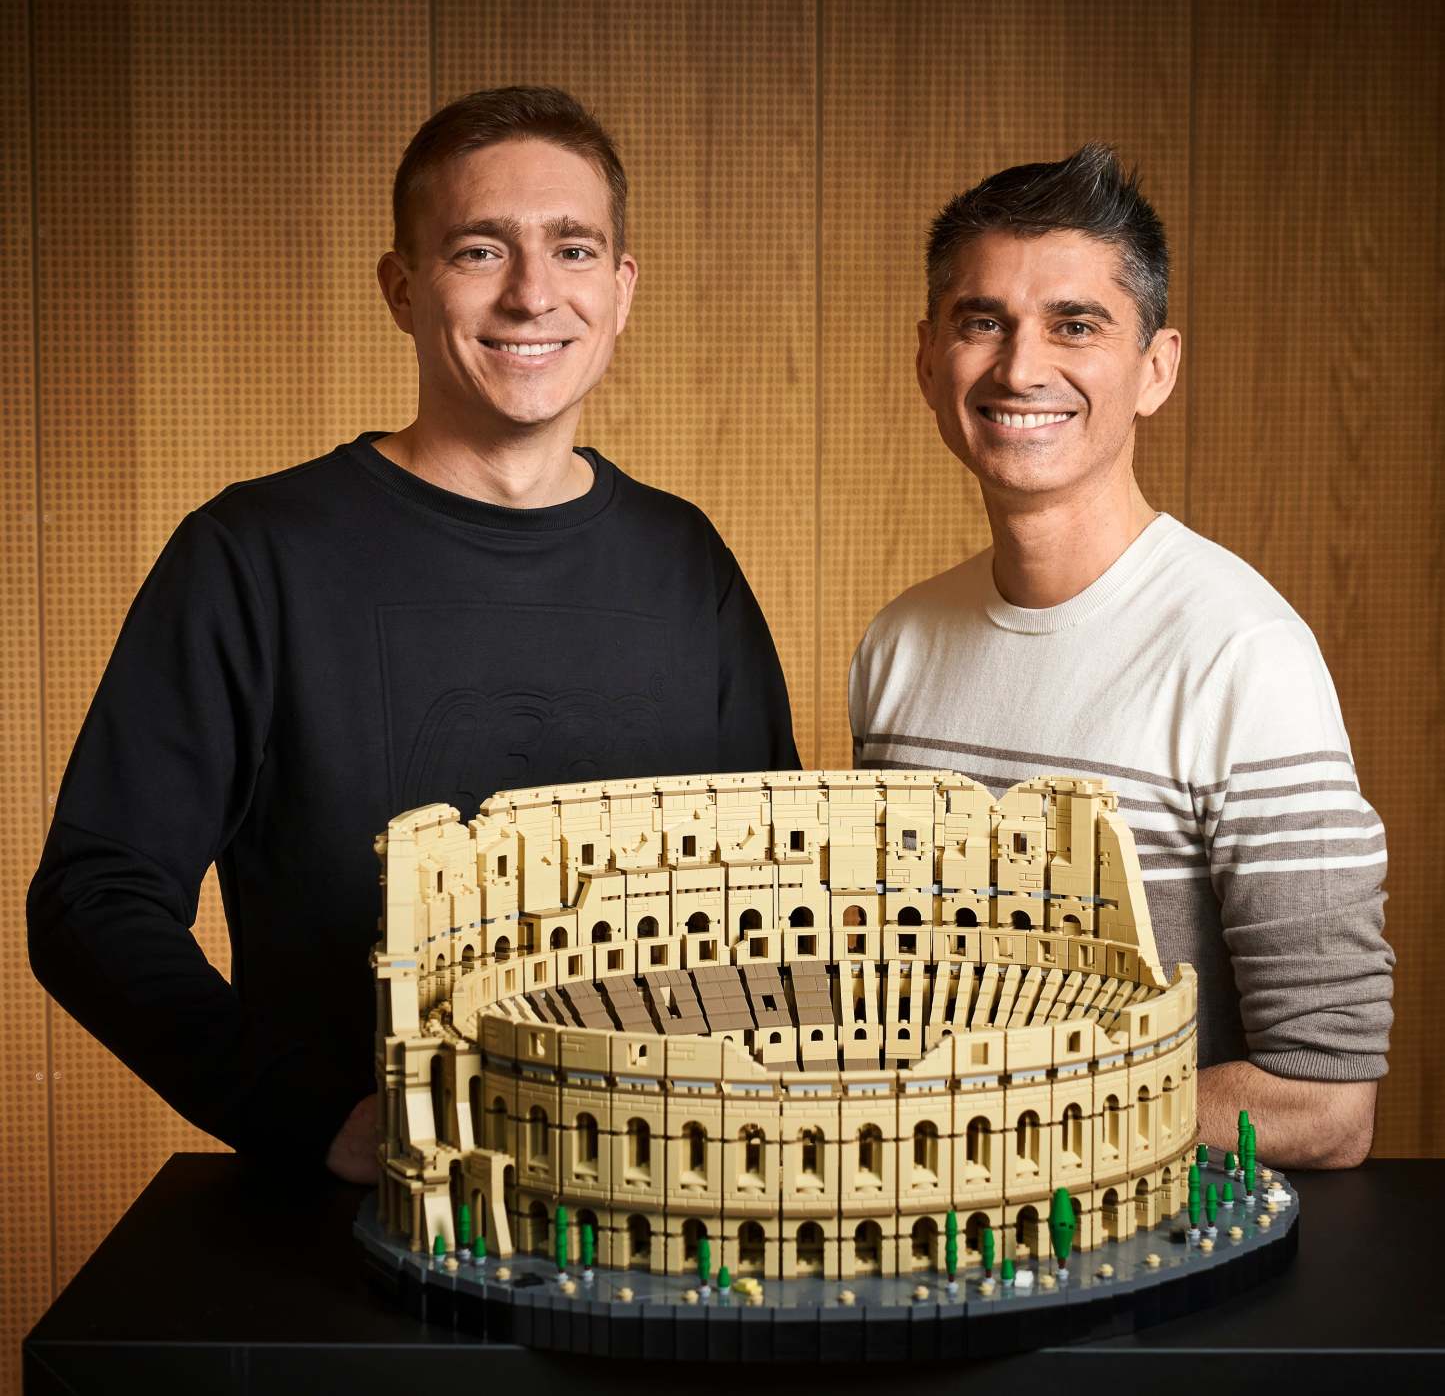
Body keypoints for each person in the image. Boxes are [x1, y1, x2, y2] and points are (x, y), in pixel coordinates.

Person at [28, 86, 799, 1183]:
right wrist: (308, 1115)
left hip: (663, 1206)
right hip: (355, 1230)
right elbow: (92, 896)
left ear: (621, 289)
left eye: (573, 249)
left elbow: (777, 894)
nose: (532, 294)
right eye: (479, 250)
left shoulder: (688, 561)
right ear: (400, 288)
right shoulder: (256, 553)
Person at [849, 144, 1392, 1168]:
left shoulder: (1242, 656)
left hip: (1144, 1250)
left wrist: (997, 1124)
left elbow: (1324, 1105)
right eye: (982, 321)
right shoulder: (897, 645)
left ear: (1155, 368)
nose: (1019, 368)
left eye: (1075, 325)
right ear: (927, 358)